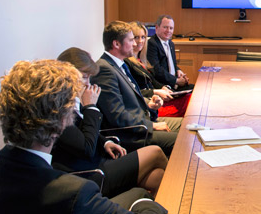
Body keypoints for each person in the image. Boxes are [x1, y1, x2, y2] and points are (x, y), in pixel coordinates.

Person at [0, 59, 167, 214]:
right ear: (64, 120)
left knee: (151, 181)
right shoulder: (76, 193)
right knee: (142, 194)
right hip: (91, 177)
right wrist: (141, 204)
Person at [53, 47, 168, 198]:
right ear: (67, 75)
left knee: (158, 176)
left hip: (101, 160)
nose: (88, 84)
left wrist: (105, 142)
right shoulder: (58, 110)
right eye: (84, 77)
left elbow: (84, 132)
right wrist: (91, 107)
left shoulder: (73, 99)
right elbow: (86, 148)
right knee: (155, 152)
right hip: (91, 174)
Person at [90, 21, 179, 156]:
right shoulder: (104, 70)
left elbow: (129, 100)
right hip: (133, 135)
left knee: (187, 126)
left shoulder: (120, 64)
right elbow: (117, 116)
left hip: (144, 121)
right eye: (131, 40)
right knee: (183, 140)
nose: (135, 43)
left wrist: (149, 103)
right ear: (116, 44)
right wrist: (152, 126)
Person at [126, 21, 190, 117]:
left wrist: (163, 88)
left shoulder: (141, 59)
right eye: (136, 37)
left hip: (158, 98)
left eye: (143, 37)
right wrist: (157, 91)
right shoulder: (127, 63)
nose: (140, 41)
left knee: (191, 97)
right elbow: (134, 91)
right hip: (151, 105)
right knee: (190, 102)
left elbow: (152, 81)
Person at [146, 14, 192, 90]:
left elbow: (171, 64)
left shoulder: (171, 43)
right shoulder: (152, 43)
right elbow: (156, 70)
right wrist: (176, 81)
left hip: (173, 82)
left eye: (171, 28)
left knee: (197, 89)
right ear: (157, 27)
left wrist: (179, 71)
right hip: (164, 86)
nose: (168, 31)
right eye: (165, 27)